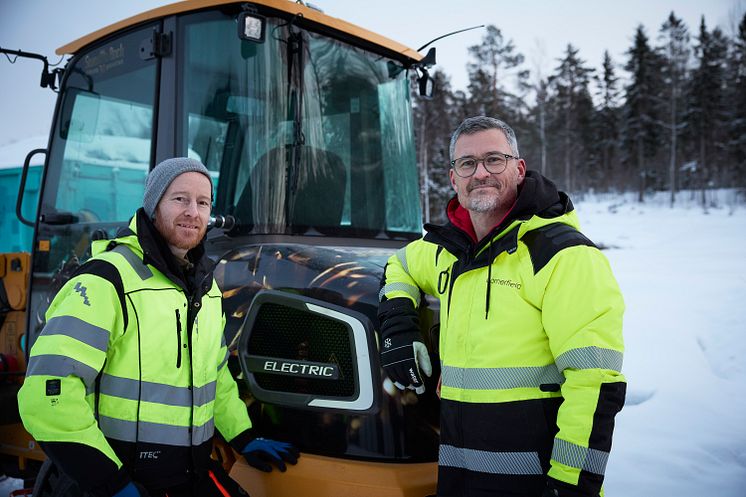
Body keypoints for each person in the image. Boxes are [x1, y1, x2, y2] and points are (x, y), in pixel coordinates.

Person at [18, 158, 298, 497]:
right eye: (180, 199)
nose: (193, 212)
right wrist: (110, 482)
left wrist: (243, 436)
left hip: (188, 474)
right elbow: (49, 392)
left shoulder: (206, 289)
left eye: (203, 202)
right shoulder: (107, 280)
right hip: (118, 479)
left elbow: (216, 376)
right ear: (153, 207)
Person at [378, 117, 626, 497]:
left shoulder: (563, 256)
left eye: (494, 159)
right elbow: (401, 265)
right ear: (453, 178)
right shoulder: (448, 249)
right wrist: (397, 323)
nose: (480, 173)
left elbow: (594, 383)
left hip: (536, 484)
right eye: (467, 163)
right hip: (457, 476)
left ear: (519, 168)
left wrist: (571, 486)